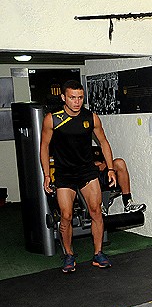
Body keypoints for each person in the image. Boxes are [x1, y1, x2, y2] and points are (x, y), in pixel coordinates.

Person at [40, 80, 115, 273]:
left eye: (80, 97)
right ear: (63, 97)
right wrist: (47, 175)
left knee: (96, 211)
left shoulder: (91, 117)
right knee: (66, 216)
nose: (77, 102)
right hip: (64, 172)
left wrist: (111, 169)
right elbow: (44, 146)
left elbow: (104, 142)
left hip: (86, 171)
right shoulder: (52, 119)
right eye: (72, 97)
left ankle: (98, 253)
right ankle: (69, 254)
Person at [93, 146, 146, 214]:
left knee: (119, 162)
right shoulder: (78, 150)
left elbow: (106, 162)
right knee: (89, 170)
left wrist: (106, 166)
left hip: (104, 176)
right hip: (89, 179)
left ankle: (127, 203)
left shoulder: (97, 149)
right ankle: (99, 207)